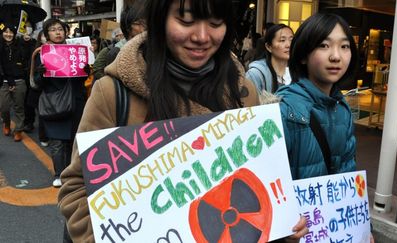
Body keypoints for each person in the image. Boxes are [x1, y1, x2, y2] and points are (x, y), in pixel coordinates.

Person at [58, 0, 307, 242]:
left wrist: (282, 226)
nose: (201, 36)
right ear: (160, 19)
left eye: (215, 22)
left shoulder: (244, 91)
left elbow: (259, 189)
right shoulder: (113, 93)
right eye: (186, 20)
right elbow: (77, 188)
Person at [277, 13, 359, 179]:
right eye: (323, 45)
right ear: (302, 56)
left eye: (344, 46)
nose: (336, 56)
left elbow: (348, 173)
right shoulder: (284, 110)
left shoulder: (342, 109)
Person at [32, 18, 88, 187]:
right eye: (53, 29)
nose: (58, 32)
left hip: (76, 100)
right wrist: (41, 73)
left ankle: (74, 173)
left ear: (66, 31)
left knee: (74, 139)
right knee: (57, 141)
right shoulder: (41, 53)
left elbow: (82, 78)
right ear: (46, 33)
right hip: (54, 102)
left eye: (61, 29)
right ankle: (59, 174)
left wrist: (85, 69)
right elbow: (35, 84)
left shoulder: (77, 50)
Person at [92, 5, 145, 81]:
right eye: (139, 23)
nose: (144, 28)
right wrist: (104, 81)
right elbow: (97, 68)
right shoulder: (114, 51)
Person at [0, 23, 33, 141]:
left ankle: (18, 130)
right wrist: (9, 80)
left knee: (19, 107)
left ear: (14, 34)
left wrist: (27, 42)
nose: (8, 34)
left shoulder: (20, 44)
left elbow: (28, 56)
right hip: (3, 81)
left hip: (19, 80)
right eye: (6, 32)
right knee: (3, 107)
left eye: (11, 32)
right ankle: (7, 123)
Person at [246, 24, 294, 93]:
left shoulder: (297, 73)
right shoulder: (256, 74)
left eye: (291, 40)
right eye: (282, 40)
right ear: (269, 47)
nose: (289, 45)